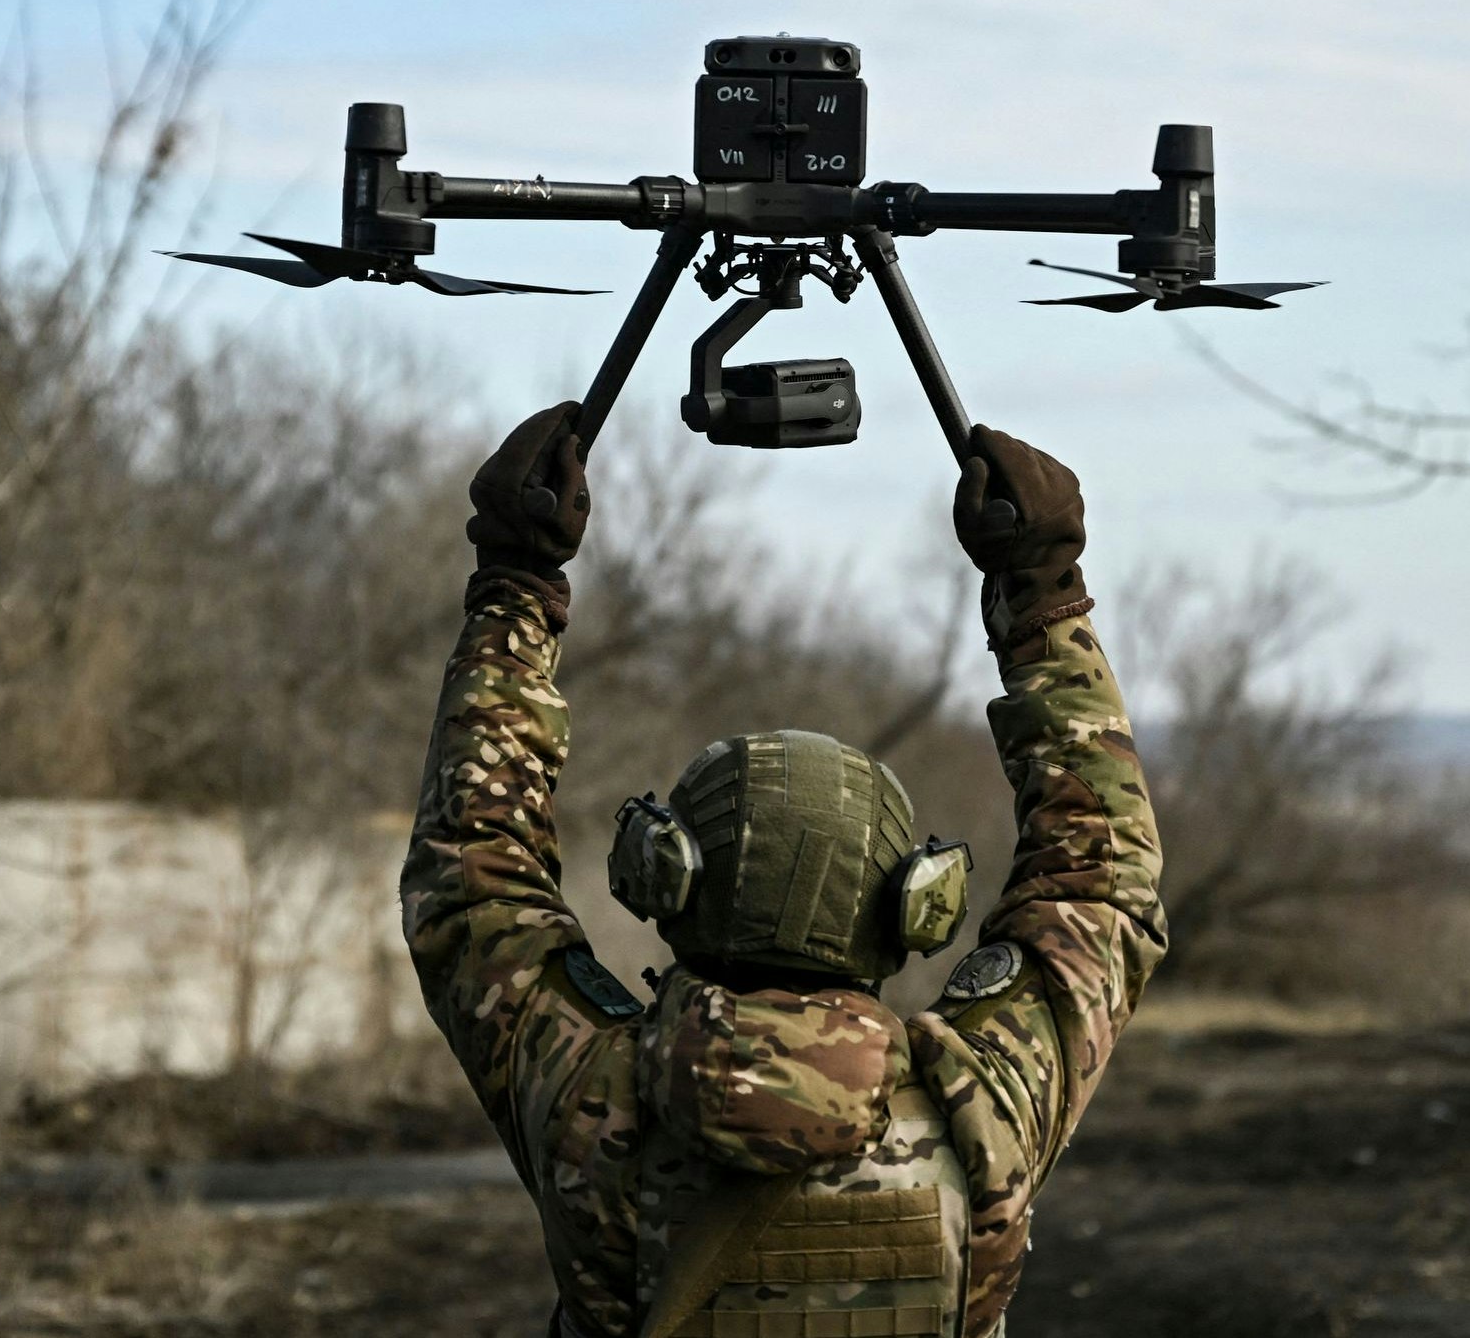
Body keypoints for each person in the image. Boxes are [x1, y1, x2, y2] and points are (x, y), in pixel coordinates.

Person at [401, 402, 1166, 1338]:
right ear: (911, 908)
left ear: (665, 878)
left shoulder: (589, 1101)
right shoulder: (981, 1111)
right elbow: (1101, 881)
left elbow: (471, 868)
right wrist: (1044, 598)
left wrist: (515, 588)